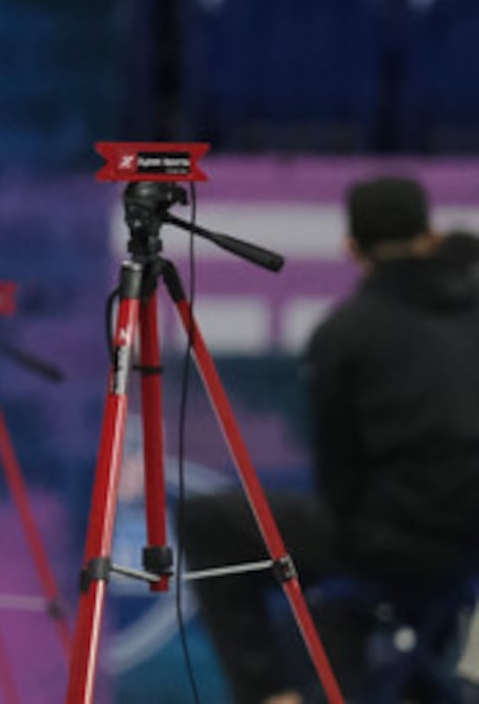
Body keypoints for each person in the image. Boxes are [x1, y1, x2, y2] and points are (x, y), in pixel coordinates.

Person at [187, 175, 479, 704]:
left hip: (392, 543)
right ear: (431, 235)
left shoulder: (346, 332)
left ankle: (270, 695)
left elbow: (337, 474)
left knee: (207, 521)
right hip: (467, 548)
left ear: (351, 247)